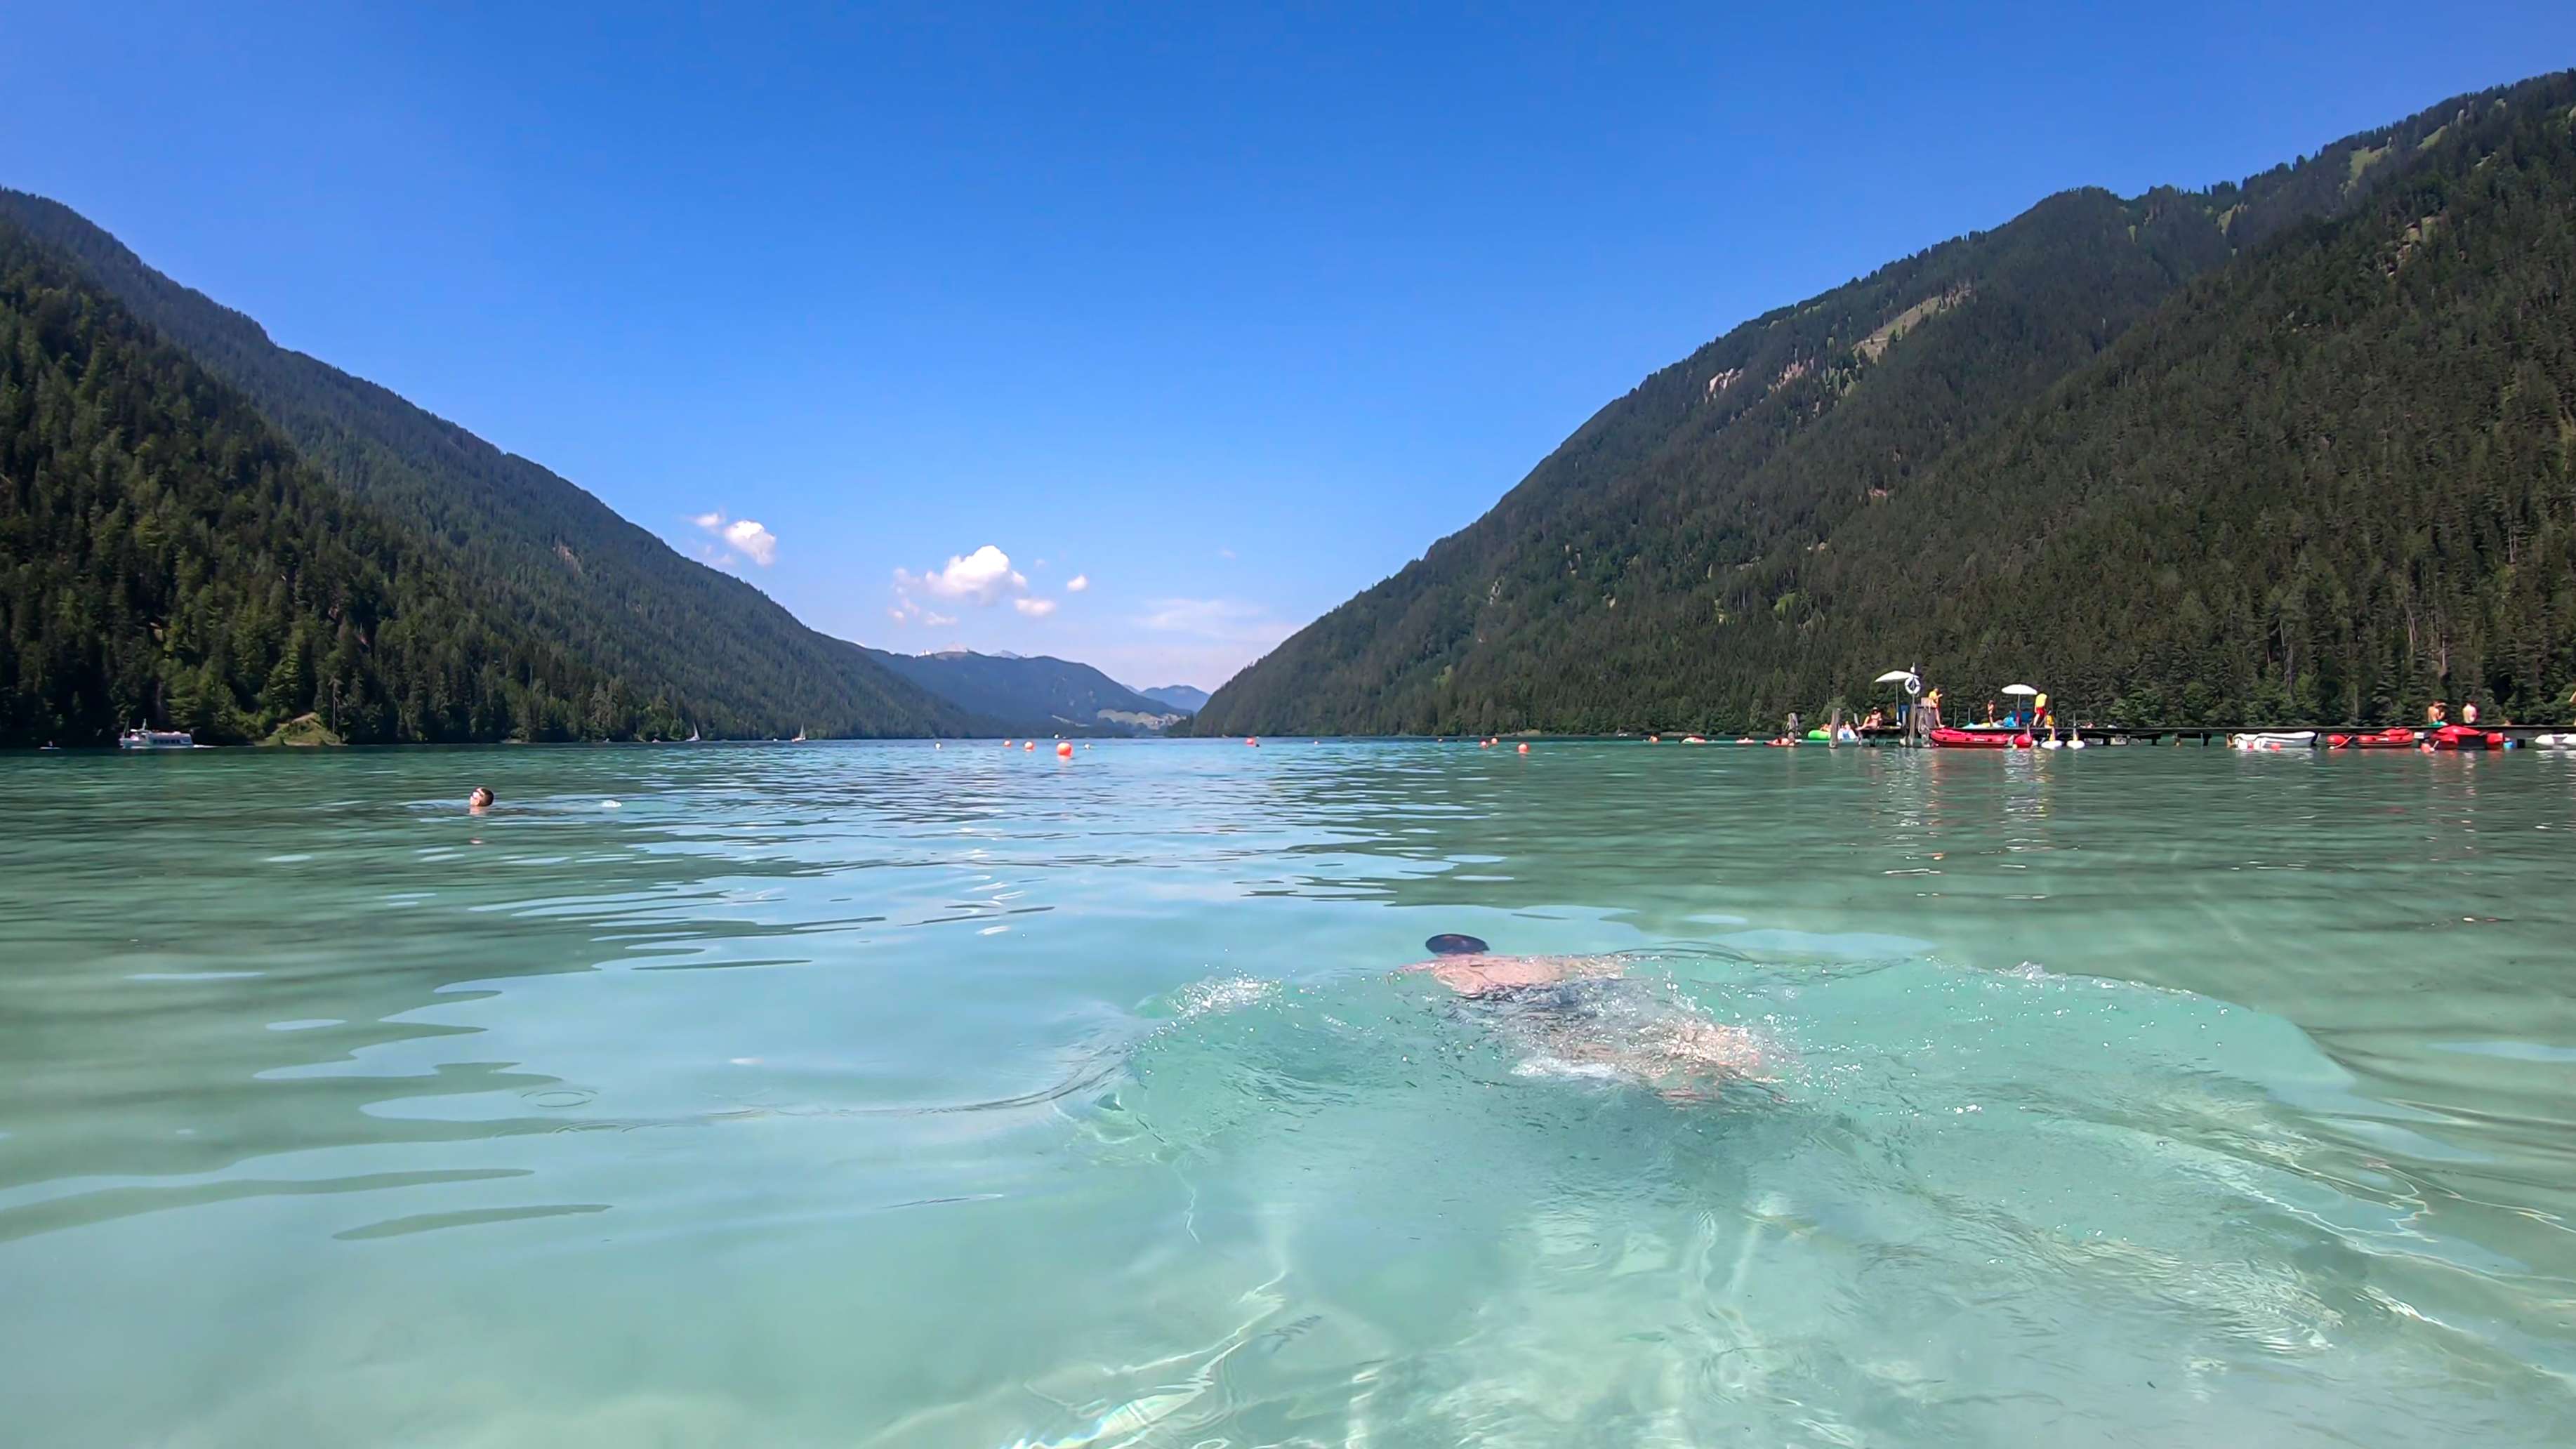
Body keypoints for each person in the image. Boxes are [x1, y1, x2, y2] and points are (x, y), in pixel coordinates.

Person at [1397, 934, 1766, 1097]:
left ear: (1441, 955)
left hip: (1512, 1005)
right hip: (1563, 993)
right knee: (1628, 1026)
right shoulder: (1530, 961)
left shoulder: (1431, 968)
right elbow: (1603, 966)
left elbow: (1397, 982)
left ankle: (1671, 1085)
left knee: (1586, 1049)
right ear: (1484, 948)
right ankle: (1718, 1053)